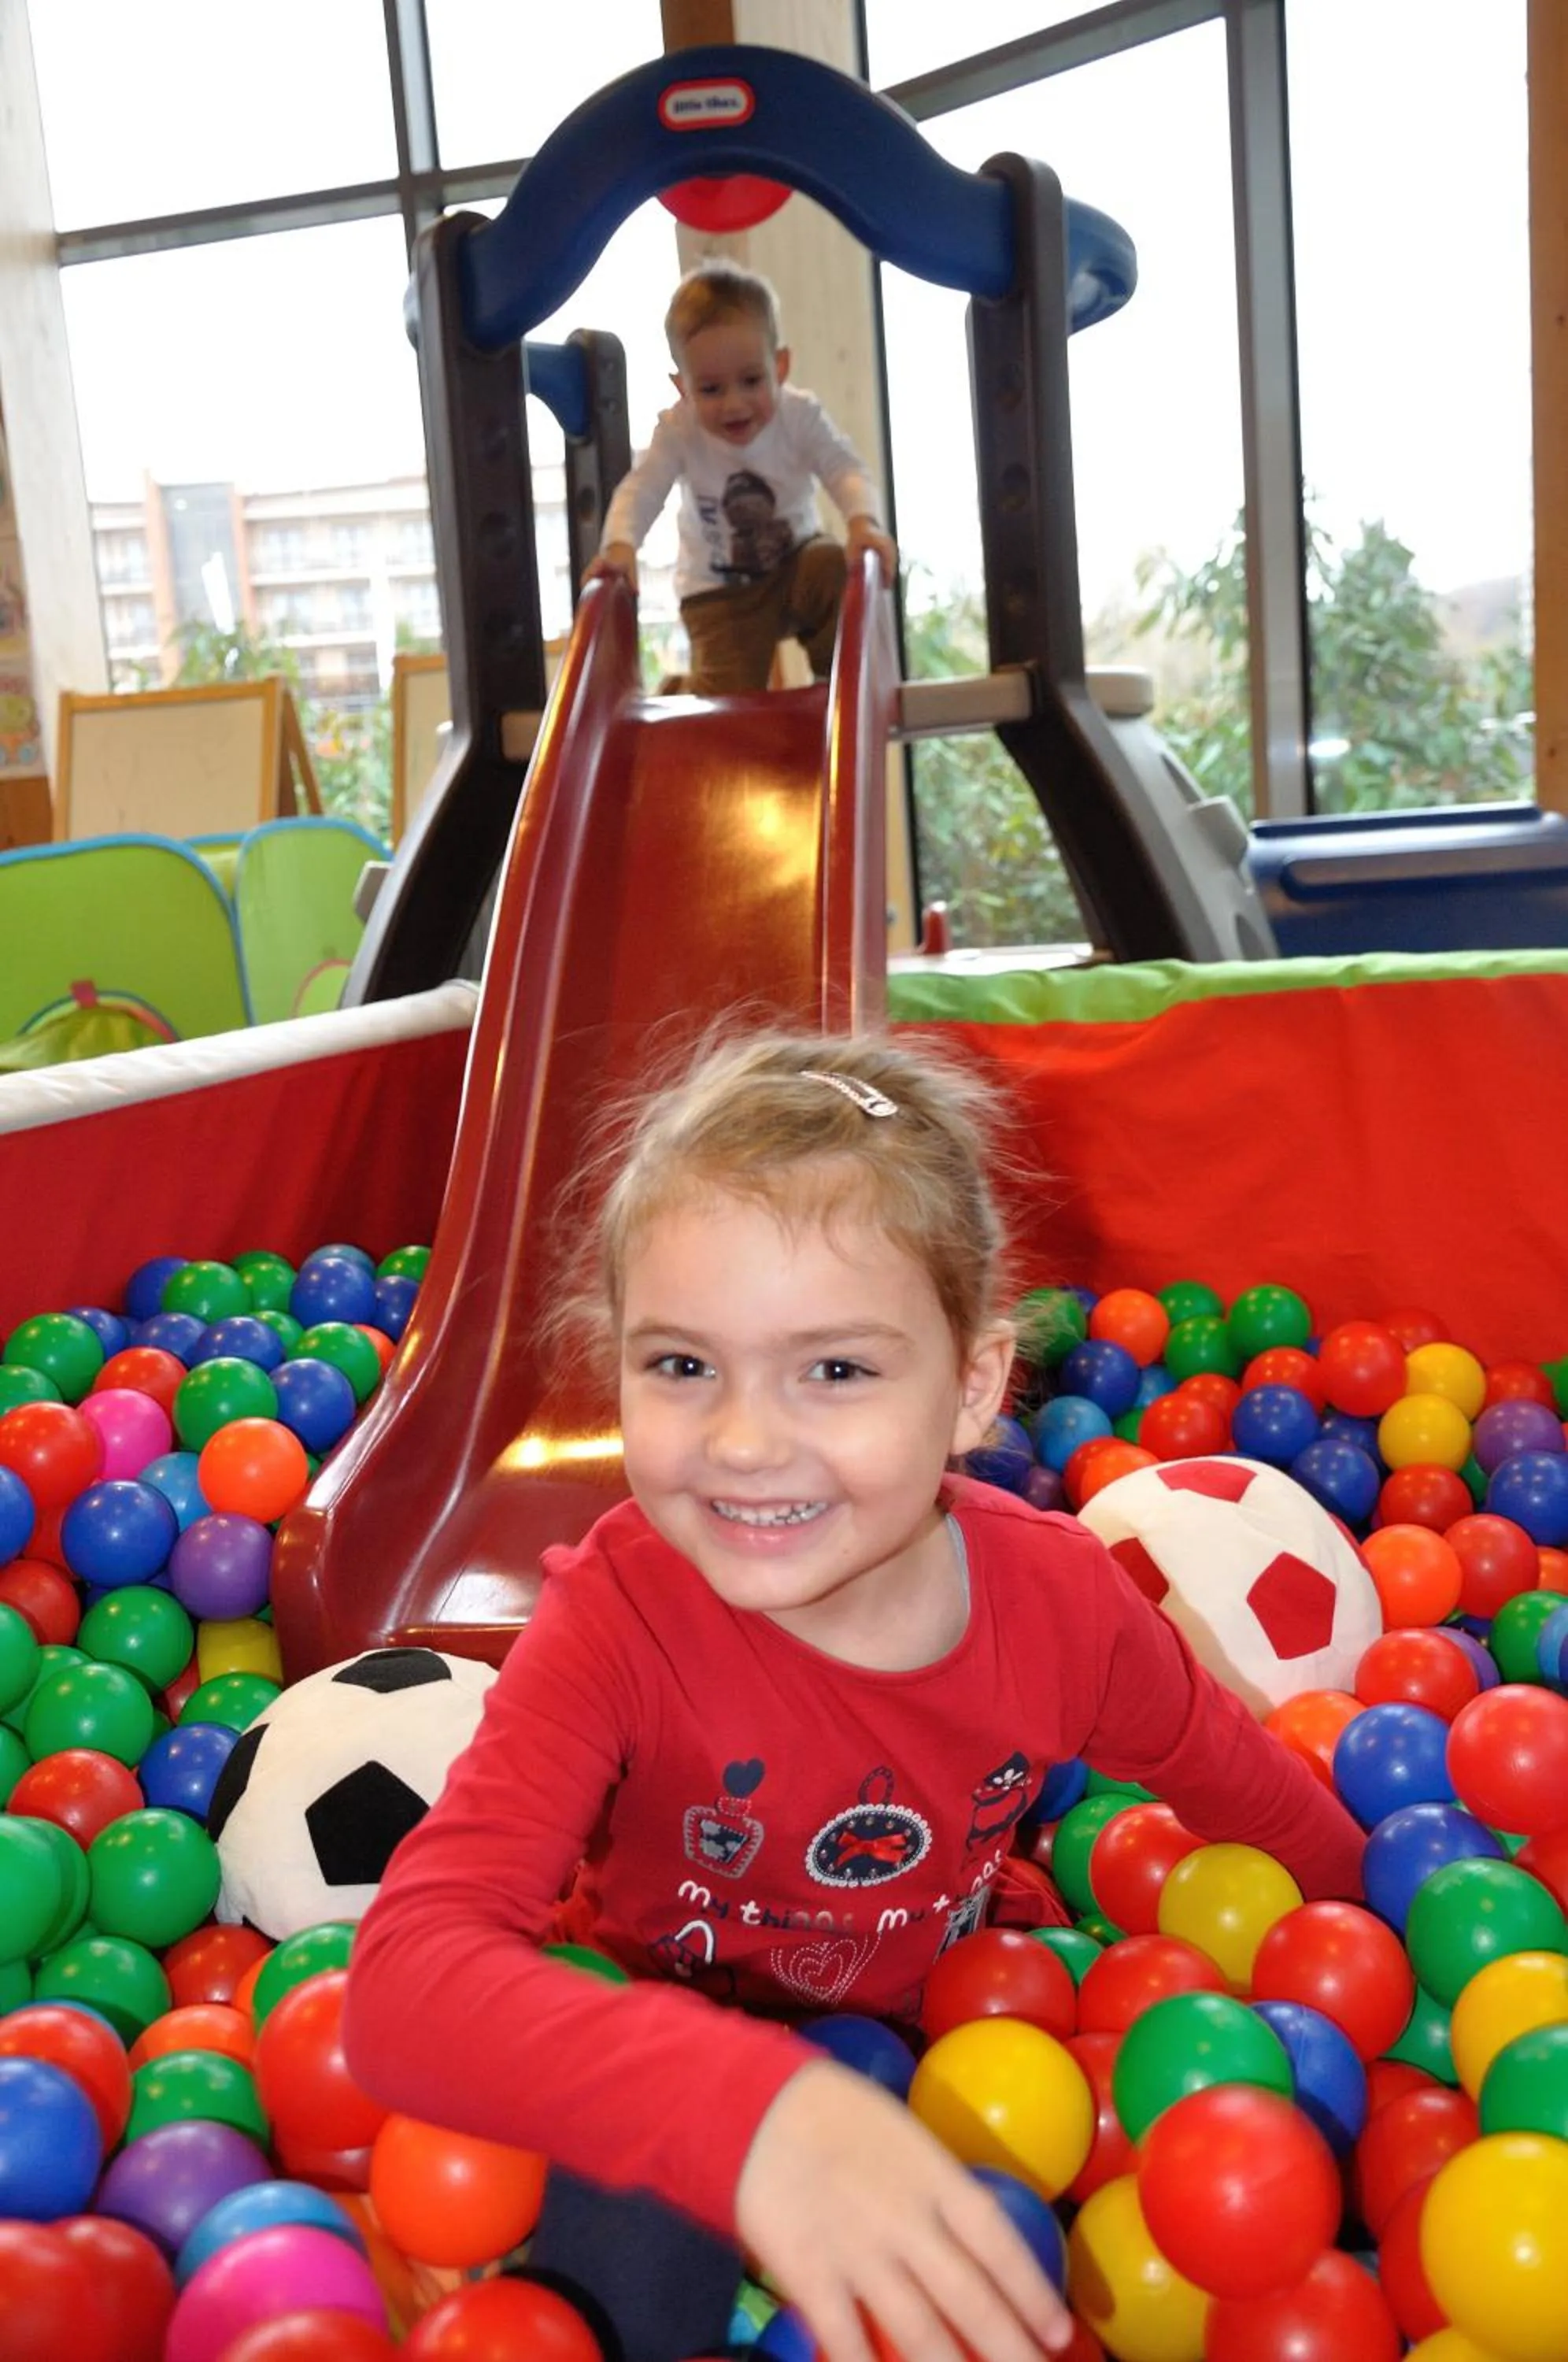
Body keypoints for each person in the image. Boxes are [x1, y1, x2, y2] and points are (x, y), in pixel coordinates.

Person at [344, 1027, 1366, 2362]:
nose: (745, 1440)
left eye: (834, 1369)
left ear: (973, 1386)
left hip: (967, 2030)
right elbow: (404, 1986)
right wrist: (752, 2111)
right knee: (631, 2222)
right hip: (666, 2055)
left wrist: (1390, 1947)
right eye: (680, 1365)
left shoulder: (1056, 1607)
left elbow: (1245, 1788)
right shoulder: (615, 1617)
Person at [586, 261, 897, 694]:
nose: (734, 404)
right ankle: (682, 692)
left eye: (751, 380)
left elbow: (844, 468)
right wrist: (620, 545)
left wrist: (863, 522)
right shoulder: (681, 429)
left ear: (781, 366)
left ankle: (838, 681)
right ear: (683, 387)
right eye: (711, 389)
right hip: (718, 593)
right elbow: (643, 487)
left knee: (831, 565)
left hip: (795, 569)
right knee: (727, 704)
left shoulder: (798, 416)